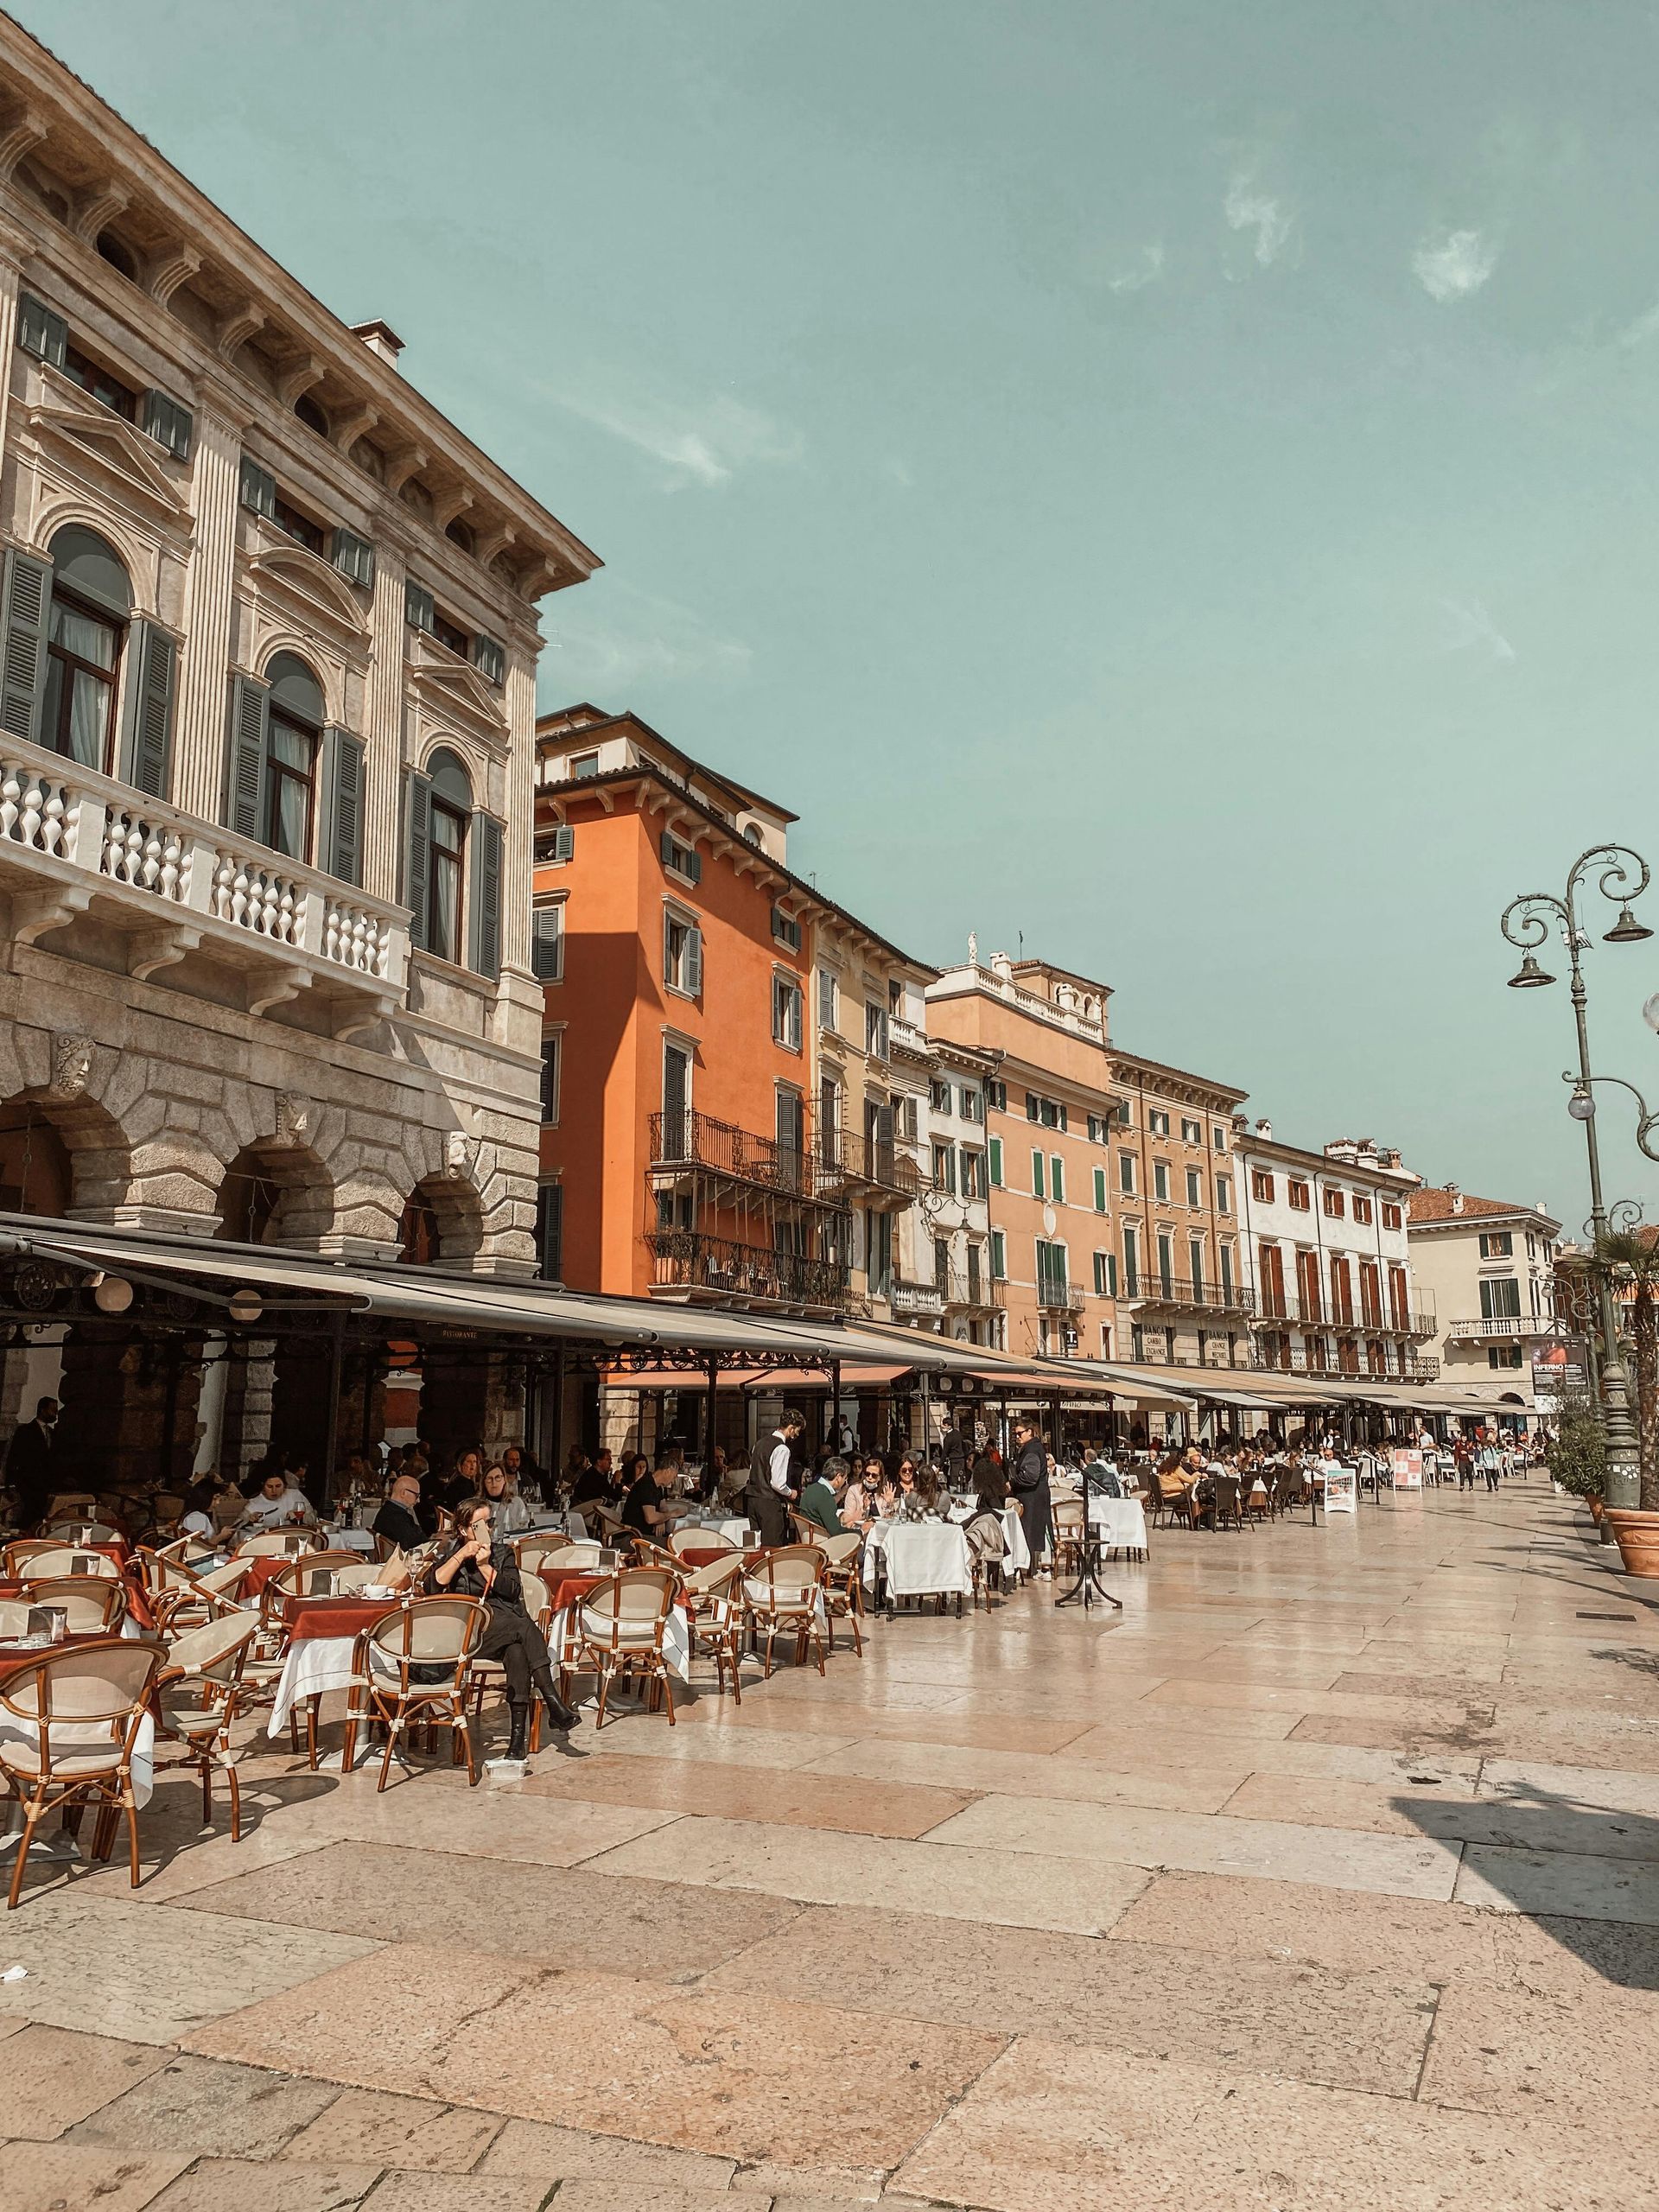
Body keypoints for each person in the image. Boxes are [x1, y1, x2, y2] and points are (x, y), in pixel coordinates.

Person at [428, 1495, 580, 1760]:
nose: (488, 1528)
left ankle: (517, 1741)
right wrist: (463, 1554)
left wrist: (486, 1568)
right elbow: (434, 1585)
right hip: (470, 1635)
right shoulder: (452, 1556)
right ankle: (553, 1703)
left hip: (505, 1626)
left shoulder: (502, 1552)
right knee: (523, 1629)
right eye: (481, 1524)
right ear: (464, 1529)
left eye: (490, 1521)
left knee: (518, 1650)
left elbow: (513, 1590)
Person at [746, 1408, 804, 1547]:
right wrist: (791, 1493)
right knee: (773, 1547)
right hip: (769, 1503)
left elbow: (753, 1469)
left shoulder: (758, 1444)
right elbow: (778, 1483)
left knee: (754, 1546)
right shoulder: (782, 1449)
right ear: (791, 1428)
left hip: (752, 1499)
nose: (796, 1435)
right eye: (797, 1431)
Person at [5, 1395, 59, 1533]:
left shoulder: (52, 1433)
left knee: (40, 1517)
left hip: (45, 1483)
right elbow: (14, 1457)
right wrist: (10, 1483)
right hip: (28, 1482)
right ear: (42, 1410)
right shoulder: (25, 1431)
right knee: (27, 1515)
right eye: (52, 1410)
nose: (55, 1414)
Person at [1008, 1417, 1052, 1574]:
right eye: (1016, 1434)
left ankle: (1041, 1569)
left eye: (1020, 1433)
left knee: (1035, 1531)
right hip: (1037, 1496)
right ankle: (1037, 1568)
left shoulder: (1032, 1450)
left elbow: (1030, 1476)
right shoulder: (1034, 1448)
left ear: (1030, 1432)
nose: (1018, 1437)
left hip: (1033, 1497)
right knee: (1038, 1531)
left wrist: (1012, 1483)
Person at [620, 1453, 683, 1547]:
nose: (673, 1481)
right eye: (674, 1477)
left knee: (677, 1540)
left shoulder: (657, 1486)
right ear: (668, 1471)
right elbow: (651, 1518)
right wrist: (672, 1514)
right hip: (635, 1536)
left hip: (645, 1534)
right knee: (676, 1545)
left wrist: (661, 1520)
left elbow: (663, 1508)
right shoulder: (646, 1485)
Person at [238, 1468, 317, 1535]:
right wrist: (249, 1521)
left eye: (278, 1486)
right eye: (270, 1487)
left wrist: (298, 1517)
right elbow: (236, 1528)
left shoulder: (295, 1496)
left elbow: (313, 1518)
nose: (274, 1491)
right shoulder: (254, 1504)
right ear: (263, 1486)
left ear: (284, 1485)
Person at [372, 1471, 427, 1558]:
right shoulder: (397, 1517)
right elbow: (415, 1544)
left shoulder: (387, 1511)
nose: (418, 1501)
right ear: (403, 1493)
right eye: (416, 1496)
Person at [480, 1460, 531, 1535]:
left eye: (498, 1477)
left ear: (504, 1480)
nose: (494, 1483)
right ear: (484, 1482)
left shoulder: (516, 1503)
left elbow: (524, 1531)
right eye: (489, 1479)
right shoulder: (477, 1506)